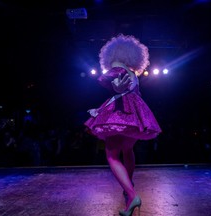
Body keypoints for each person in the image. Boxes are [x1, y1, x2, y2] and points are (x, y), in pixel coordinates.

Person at [84, 34, 162, 216]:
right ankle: (129, 189)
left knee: (111, 155)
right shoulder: (133, 74)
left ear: (111, 54)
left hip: (121, 112)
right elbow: (132, 93)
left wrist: (116, 89)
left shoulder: (116, 68)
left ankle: (132, 194)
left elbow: (112, 82)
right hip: (134, 113)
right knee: (127, 151)